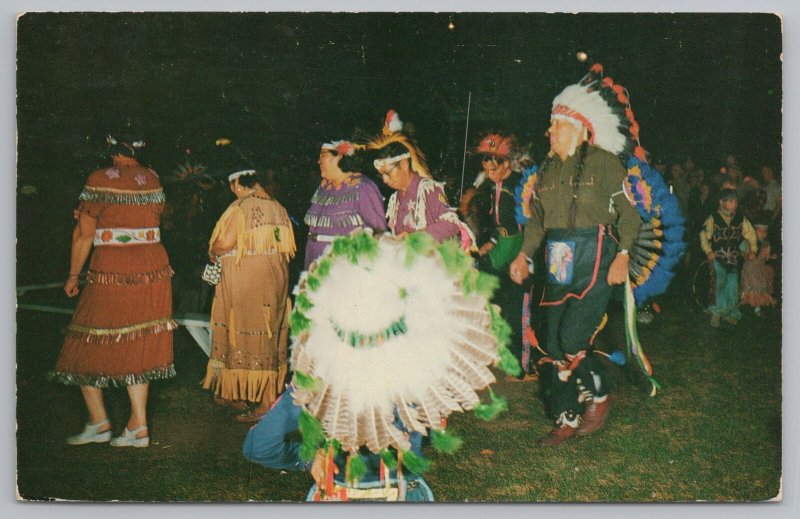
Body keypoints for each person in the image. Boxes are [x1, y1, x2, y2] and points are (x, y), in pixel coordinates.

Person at [508, 65, 644, 446]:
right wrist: (522, 255)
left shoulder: (603, 163)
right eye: (550, 125)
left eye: (557, 125)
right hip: (558, 260)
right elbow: (537, 222)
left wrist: (624, 255)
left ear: (581, 128)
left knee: (571, 337)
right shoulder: (547, 171)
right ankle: (566, 417)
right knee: (551, 343)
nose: (549, 131)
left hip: (597, 257)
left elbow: (629, 214)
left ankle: (598, 394)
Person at [50, 132, 176, 448]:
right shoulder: (153, 179)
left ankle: (99, 421)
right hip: (152, 267)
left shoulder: (99, 178)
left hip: (113, 267)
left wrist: (72, 275)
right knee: (139, 339)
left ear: (113, 152)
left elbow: (83, 235)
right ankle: (138, 426)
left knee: (85, 340)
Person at [202, 167, 296, 422]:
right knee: (268, 338)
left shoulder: (242, 207)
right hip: (274, 282)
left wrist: (213, 250)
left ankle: (264, 404)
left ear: (236, 183)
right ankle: (239, 394)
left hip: (248, 285)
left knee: (245, 335)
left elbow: (225, 242)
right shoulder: (278, 207)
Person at [470, 132, 535, 378]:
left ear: (507, 163)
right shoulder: (492, 186)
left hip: (519, 252)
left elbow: (529, 224)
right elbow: (500, 223)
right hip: (502, 248)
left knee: (517, 309)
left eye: (494, 169)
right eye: (487, 170)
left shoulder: (522, 185)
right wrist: (492, 241)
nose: (490, 174)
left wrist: (526, 257)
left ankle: (523, 366)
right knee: (491, 299)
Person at [365, 110, 464, 244]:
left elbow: (451, 224)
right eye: (382, 175)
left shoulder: (428, 189)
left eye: (388, 173)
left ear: (404, 164)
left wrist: (414, 237)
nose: (384, 179)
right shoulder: (395, 198)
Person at [303, 139, 387, 269]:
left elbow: (379, 236)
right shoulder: (323, 189)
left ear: (339, 156)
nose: (318, 161)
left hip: (342, 270)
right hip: (314, 264)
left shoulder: (363, 188)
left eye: (323, 155)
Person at [699, 188, 757, 327]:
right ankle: (718, 313)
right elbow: (703, 236)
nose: (734, 204)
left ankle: (730, 312)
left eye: (735, 201)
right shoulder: (713, 218)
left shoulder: (740, 219)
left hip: (734, 258)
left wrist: (753, 249)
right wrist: (708, 251)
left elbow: (751, 234)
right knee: (720, 284)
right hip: (718, 258)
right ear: (721, 202)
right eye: (730, 201)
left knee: (733, 285)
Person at [740, 221, 777, 316]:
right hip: (750, 269)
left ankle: (758, 306)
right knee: (752, 285)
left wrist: (771, 256)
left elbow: (766, 257)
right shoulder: (748, 242)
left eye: (765, 232)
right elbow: (742, 250)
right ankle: (749, 304)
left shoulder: (766, 244)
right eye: (760, 231)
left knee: (760, 286)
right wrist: (747, 253)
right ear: (755, 231)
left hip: (760, 269)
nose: (763, 234)